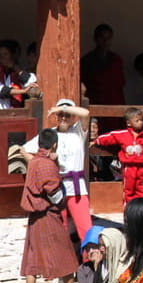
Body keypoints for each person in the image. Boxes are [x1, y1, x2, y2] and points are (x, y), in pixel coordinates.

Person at [21, 128, 80, 283]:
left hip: (34, 217)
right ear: (54, 144)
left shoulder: (35, 161)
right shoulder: (46, 165)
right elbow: (54, 193)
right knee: (66, 256)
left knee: (32, 255)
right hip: (47, 214)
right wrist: (62, 198)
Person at [23, 99, 92, 239]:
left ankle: (89, 259)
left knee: (86, 228)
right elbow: (24, 150)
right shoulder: (50, 134)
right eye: (61, 115)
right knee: (60, 228)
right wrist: (43, 163)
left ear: (73, 116)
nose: (64, 118)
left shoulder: (78, 131)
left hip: (77, 188)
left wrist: (59, 108)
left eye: (67, 115)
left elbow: (85, 113)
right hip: (56, 187)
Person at [93, 108, 143, 205]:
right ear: (129, 123)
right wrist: (97, 141)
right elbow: (110, 137)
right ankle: (128, 210)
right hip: (128, 167)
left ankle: (138, 210)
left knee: (141, 188)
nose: (140, 123)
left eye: (141, 120)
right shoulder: (122, 134)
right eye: (137, 120)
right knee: (129, 189)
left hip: (142, 168)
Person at [0, 40, 38, 110]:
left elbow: (32, 83)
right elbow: (0, 91)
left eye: (5, 54)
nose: (2, 58)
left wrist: (16, 68)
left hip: (14, 111)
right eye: (0, 55)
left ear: (12, 56)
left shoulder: (17, 72)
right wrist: (23, 91)